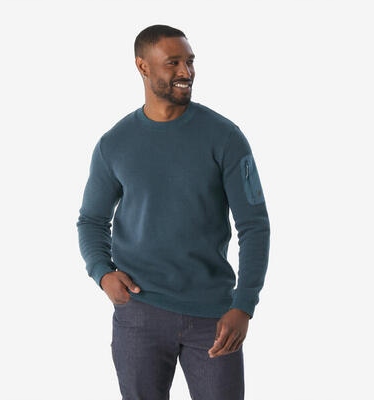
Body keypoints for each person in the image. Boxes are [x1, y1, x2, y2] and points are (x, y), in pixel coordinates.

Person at [77, 24, 270, 400]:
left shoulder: (225, 137)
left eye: (190, 61)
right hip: (140, 313)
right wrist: (102, 273)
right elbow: (92, 220)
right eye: (173, 62)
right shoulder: (114, 144)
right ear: (142, 66)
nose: (186, 71)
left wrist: (244, 305)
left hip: (214, 317)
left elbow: (254, 225)